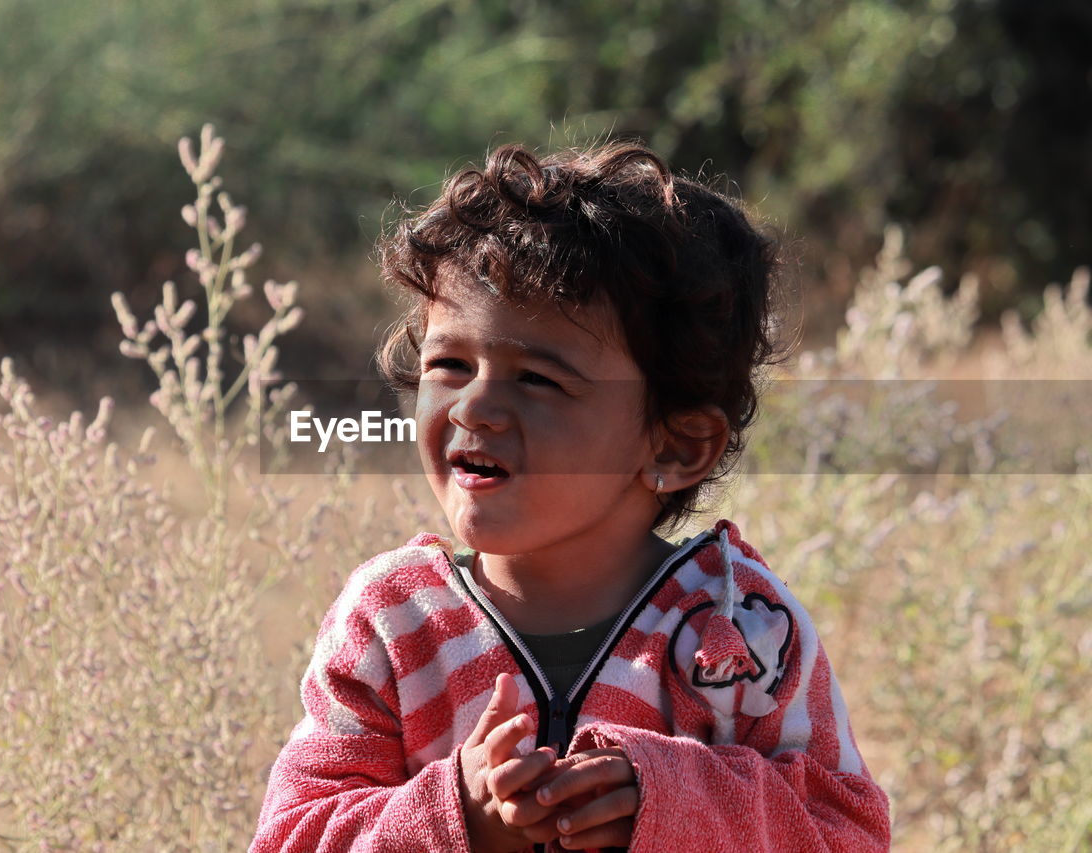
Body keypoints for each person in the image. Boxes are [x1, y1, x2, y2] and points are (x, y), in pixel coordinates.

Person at [251, 142, 890, 852]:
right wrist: (457, 813)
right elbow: (290, 836)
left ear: (675, 446)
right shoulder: (392, 624)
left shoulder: (744, 632)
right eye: (451, 364)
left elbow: (847, 832)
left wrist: (672, 801)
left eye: (538, 380)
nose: (475, 408)